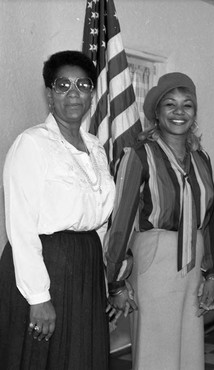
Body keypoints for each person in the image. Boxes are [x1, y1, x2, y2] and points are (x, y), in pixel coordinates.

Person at [0, 50, 115, 369]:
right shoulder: (32, 144)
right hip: (45, 267)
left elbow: (100, 222)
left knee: (80, 356)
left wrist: (101, 283)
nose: (74, 92)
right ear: (49, 94)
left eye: (83, 84)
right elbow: (20, 227)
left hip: (87, 266)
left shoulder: (95, 147)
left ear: (92, 92)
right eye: (63, 85)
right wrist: (38, 298)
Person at [105, 72, 214, 370]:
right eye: (170, 104)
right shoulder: (139, 156)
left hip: (193, 261)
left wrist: (212, 273)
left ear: (194, 112)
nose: (179, 112)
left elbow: (207, 220)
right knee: (155, 351)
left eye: (187, 105)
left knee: (189, 349)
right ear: (156, 112)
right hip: (155, 259)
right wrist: (116, 282)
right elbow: (120, 223)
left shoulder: (201, 159)